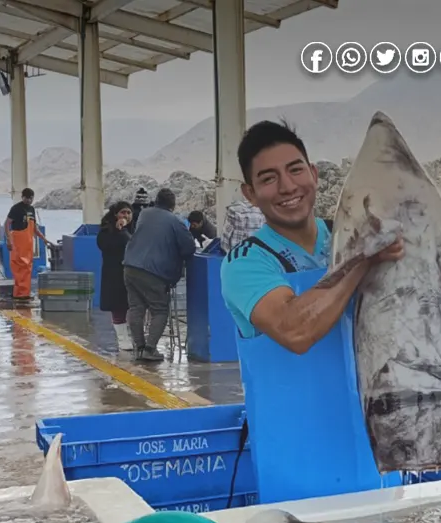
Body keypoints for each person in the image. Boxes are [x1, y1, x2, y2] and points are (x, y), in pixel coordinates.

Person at [219, 120, 402, 352]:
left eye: (296, 170)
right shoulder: (244, 262)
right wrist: (361, 261)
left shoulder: (350, 237)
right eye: (268, 179)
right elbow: (294, 331)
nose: (287, 186)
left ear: (314, 174)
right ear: (250, 194)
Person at [122, 188, 195, 362]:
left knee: (136, 308)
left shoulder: (145, 214)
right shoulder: (174, 221)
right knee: (160, 310)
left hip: (130, 266)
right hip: (153, 272)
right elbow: (189, 247)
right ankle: (150, 349)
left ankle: (139, 348)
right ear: (173, 205)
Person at [97, 201, 134, 351]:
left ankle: (135, 336)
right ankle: (123, 338)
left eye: (128, 213)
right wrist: (120, 231)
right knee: (118, 307)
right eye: (123, 212)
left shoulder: (134, 229)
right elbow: (105, 244)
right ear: (115, 214)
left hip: (132, 273)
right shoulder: (106, 231)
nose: (126, 216)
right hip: (114, 274)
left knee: (134, 305)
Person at [4, 187, 50, 303]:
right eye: (27, 198)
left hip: (28, 244)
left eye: (31, 198)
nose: (29, 200)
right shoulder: (16, 209)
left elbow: (34, 228)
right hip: (17, 242)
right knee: (19, 267)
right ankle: (18, 294)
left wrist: (44, 239)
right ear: (22, 197)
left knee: (27, 268)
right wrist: (9, 240)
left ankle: (25, 293)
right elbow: (7, 224)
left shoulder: (31, 210)